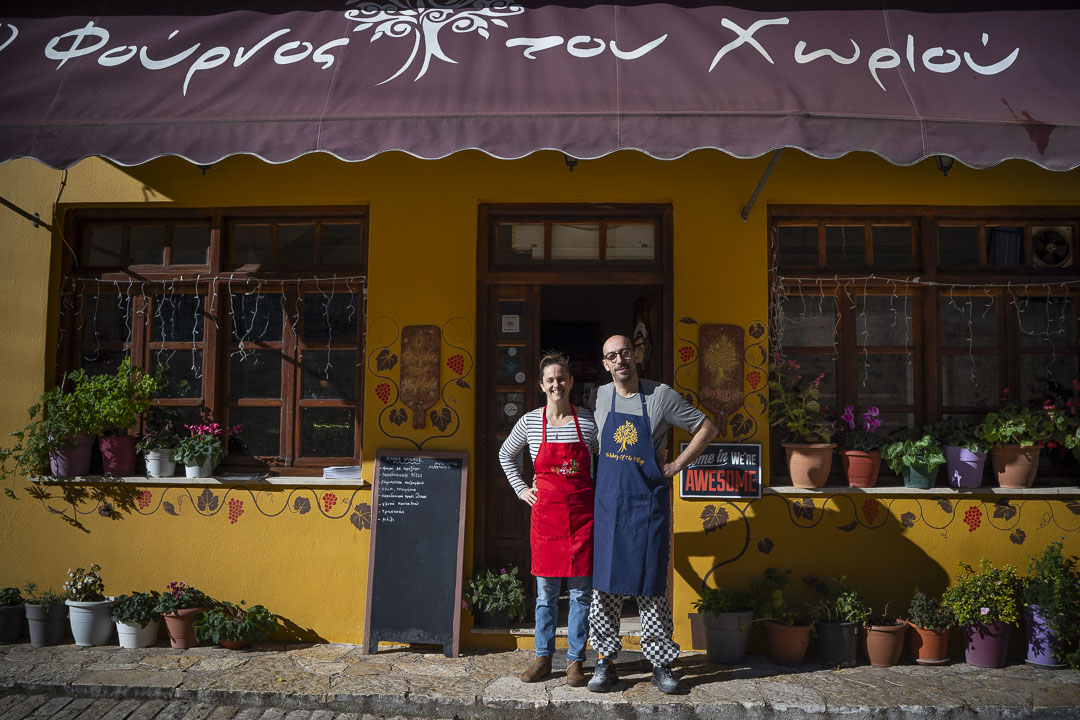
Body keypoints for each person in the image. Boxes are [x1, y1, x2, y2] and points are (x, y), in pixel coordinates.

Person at [587, 334, 717, 695]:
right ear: (605, 364)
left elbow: (707, 428)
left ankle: (661, 664)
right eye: (611, 356)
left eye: (625, 353)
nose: (619, 360)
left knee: (652, 589)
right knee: (604, 591)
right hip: (611, 506)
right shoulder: (599, 397)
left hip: (646, 507)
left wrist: (675, 465)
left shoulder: (660, 396)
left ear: (636, 355)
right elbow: (591, 443)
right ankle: (604, 662)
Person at [498, 352, 599, 687]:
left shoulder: (587, 421)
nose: (556, 384)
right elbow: (505, 454)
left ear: (570, 382)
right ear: (542, 385)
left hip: (583, 518)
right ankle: (543, 658)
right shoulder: (529, 422)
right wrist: (522, 490)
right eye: (550, 380)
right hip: (547, 519)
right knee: (546, 596)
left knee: (582, 595)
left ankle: (575, 662)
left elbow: (607, 457)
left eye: (562, 378)